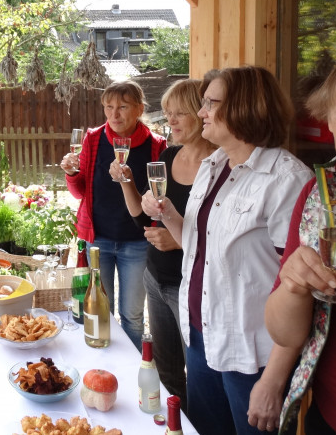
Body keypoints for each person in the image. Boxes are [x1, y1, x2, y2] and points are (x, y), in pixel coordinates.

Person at [142, 66, 313, 435]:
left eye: (211, 103)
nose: (202, 112)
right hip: (203, 337)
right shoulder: (213, 165)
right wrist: (169, 213)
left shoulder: (287, 180)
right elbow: (197, 247)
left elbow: (302, 288)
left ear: (245, 108)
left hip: (253, 357)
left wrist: (271, 382)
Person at [109, 79, 214, 407]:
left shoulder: (220, 166)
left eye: (180, 113)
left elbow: (223, 238)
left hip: (191, 289)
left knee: (200, 377)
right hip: (156, 279)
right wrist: (126, 183)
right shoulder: (168, 156)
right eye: (169, 113)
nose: (171, 120)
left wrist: (181, 241)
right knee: (168, 374)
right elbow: (142, 217)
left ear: (201, 113)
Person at [265, 53, 336, 435]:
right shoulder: (320, 198)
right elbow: (284, 332)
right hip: (332, 416)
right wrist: (295, 285)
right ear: (328, 122)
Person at [61, 80, 167, 350]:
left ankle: (132, 373)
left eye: (122, 107)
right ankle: (100, 368)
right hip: (98, 242)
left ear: (139, 109)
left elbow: (161, 196)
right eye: (108, 107)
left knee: (131, 316)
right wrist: (72, 173)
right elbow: (79, 191)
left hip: (137, 243)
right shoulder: (94, 139)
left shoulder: (157, 145)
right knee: (98, 312)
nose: (114, 114)